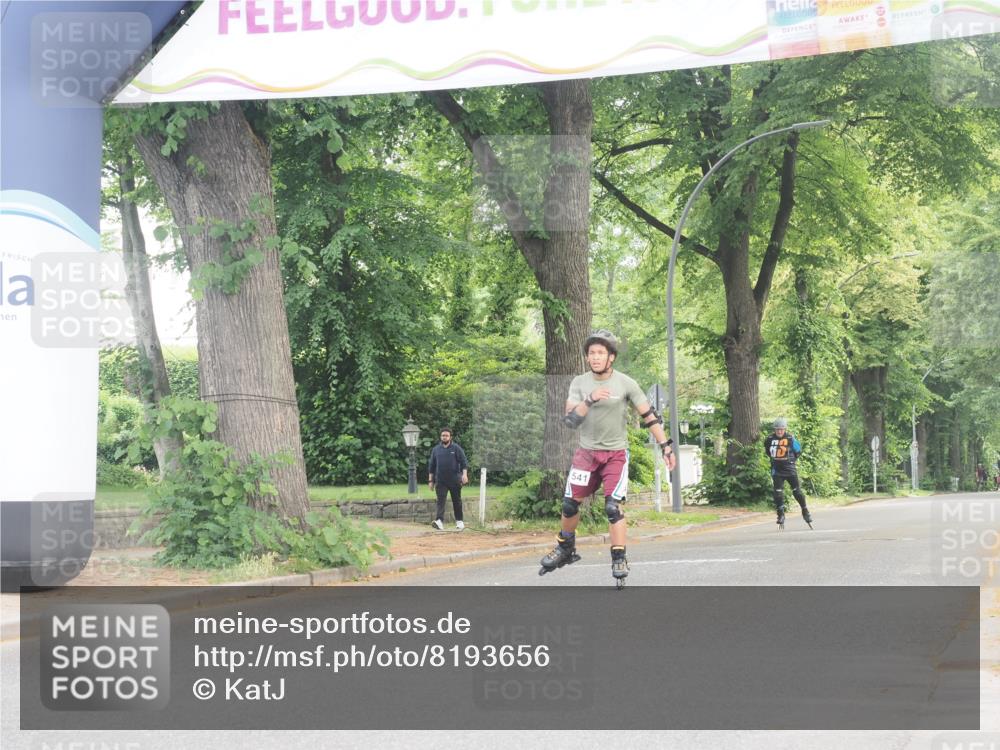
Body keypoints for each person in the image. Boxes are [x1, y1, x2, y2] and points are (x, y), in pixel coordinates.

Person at [539, 330, 676, 585]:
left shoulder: (626, 383)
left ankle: (619, 557)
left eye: (601, 353)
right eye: (592, 353)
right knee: (570, 504)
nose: (595, 357)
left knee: (613, 507)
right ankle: (565, 548)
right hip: (586, 454)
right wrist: (590, 399)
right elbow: (570, 421)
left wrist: (665, 445)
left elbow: (649, 416)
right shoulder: (579, 383)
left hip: (615, 455)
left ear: (611, 357)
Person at [763, 418, 812, 529]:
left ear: (785, 429)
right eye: (777, 430)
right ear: (774, 430)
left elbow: (798, 451)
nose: (779, 432)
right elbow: (768, 451)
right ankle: (780, 514)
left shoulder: (790, 438)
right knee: (777, 493)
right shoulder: (769, 439)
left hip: (790, 469)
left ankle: (805, 510)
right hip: (777, 470)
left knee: (797, 492)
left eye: (781, 429)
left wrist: (791, 460)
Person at [427, 428, 469, 530]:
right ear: (440, 437)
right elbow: (431, 466)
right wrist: (430, 481)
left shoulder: (456, 448)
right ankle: (439, 521)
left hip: (455, 480)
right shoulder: (436, 450)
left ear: (450, 437)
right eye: (442, 435)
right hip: (441, 481)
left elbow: (464, 462)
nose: (444, 437)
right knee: (440, 501)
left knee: (456, 501)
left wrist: (464, 475)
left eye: (446, 435)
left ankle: (459, 522)